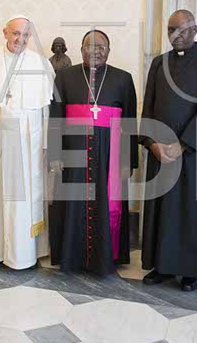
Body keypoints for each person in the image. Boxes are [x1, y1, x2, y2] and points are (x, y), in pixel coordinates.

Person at [140, 9, 197, 291]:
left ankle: (191, 270)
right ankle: (161, 266)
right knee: (163, 211)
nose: (175, 34)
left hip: (195, 154)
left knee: (192, 212)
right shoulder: (158, 63)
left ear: (194, 30)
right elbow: (148, 107)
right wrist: (152, 143)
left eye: (181, 29)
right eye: (170, 29)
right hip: (161, 153)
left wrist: (182, 144)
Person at [0, 16, 54, 269]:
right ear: (5, 33)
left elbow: (46, 109)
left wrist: (47, 144)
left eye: (25, 35)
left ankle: (26, 254)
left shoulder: (40, 63)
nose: (20, 39)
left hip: (30, 141)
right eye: (16, 33)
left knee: (26, 198)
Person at [49, 29, 137, 276]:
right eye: (89, 46)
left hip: (110, 155)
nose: (95, 51)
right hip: (73, 152)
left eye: (101, 47)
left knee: (106, 204)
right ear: (81, 50)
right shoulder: (64, 77)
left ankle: (107, 256)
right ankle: (71, 256)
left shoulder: (123, 79)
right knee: (72, 203)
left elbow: (130, 122)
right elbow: (55, 118)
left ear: (108, 51)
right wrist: (54, 154)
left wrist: (129, 160)